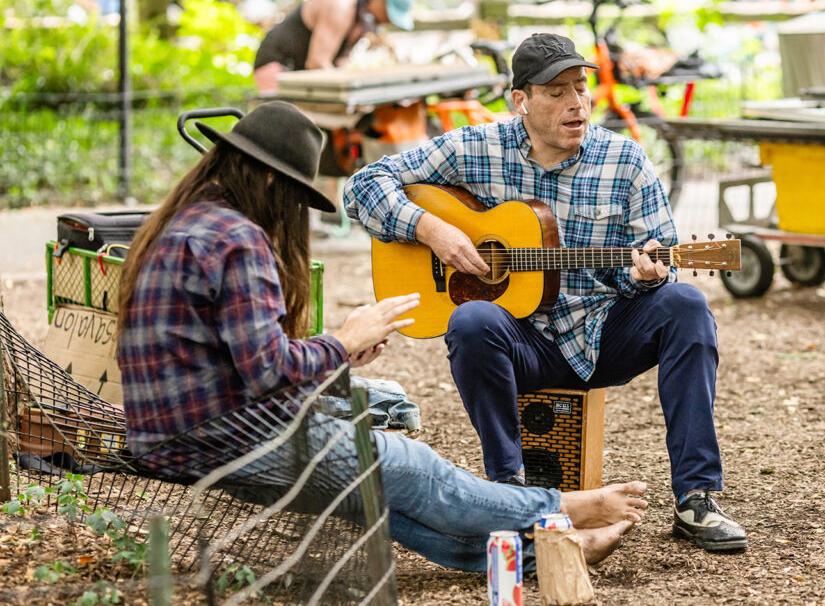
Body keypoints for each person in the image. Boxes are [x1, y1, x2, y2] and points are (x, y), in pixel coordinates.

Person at [114, 100, 648, 573]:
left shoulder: (186, 222)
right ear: (273, 181)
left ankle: (546, 551)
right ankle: (560, 508)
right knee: (407, 465)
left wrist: (334, 354)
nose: (294, 212)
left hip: (175, 435)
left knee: (376, 499)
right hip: (221, 439)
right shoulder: (237, 240)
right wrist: (343, 342)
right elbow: (267, 371)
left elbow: (238, 355)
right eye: (298, 196)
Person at [343, 33, 747, 552]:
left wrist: (647, 274)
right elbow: (363, 186)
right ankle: (508, 493)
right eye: (556, 92)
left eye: (580, 87)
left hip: (602, 336)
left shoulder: (624, 162)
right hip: (521, 342)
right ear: (521, 101)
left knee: (687, 305)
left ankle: (697, 498)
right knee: (470, 320)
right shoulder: (475, 147)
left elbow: (656, 255)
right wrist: (432, 230)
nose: (575, 102)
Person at [252, 0, 414, 94]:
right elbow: (317, 62)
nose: (389, 21)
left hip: (303, 72)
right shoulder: (341, 4)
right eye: (389, 11)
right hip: (277, 65)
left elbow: (339, 62)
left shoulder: (363, 20)